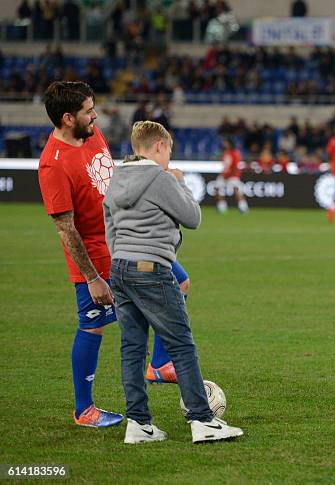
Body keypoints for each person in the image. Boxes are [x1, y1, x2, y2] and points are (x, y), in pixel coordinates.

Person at [37, 81, 183, 429]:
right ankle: (84, 409)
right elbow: (65, 228)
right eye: (89, 110)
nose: (95, 115)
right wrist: (92, 278)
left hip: (125, 238)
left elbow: (116, 176)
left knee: (180, 283)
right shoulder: (52, 165)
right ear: (68, 118)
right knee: (94, 325)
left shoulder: (93, 136)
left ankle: (159, 365)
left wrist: (158, 176)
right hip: (95, 256)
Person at [104, 121, 244, 444]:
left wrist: (120, 256)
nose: (170, 157)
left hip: (121, 268)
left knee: (132, 348)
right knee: (181, 343)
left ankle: (138, 425)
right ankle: (201, 419)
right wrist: (179, 183)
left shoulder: (117, 176)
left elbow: (108, 222)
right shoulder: (160, 178)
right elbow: (192, 217)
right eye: (169, 150)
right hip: (151, 268)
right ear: (157, 147)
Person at [215, 138, 249, 214]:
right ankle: (222, 207)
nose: (224, 144)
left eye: (225, 143)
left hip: (233, 175)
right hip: (224, 174)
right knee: (217, 188)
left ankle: (243, 207)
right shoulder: (225, 152)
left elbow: (235, 165)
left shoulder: (235, 153)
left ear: (230, 143)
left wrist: (231, 174)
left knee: (236, 190)